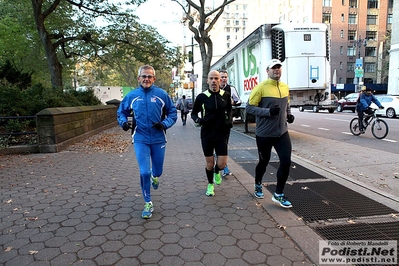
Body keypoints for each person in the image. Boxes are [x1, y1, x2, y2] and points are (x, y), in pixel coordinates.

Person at [117, 65, 177, 219]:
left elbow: (172, 113)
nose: (146, 79)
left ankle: (155, 176)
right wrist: (123, 122)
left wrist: (164, 124)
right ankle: (148, 202)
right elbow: (121, 112)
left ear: (154, 79)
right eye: (144, 76)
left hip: (158, 139)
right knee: (144, 171)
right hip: (140, 138)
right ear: (139, 78)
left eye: (149, 76)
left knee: (157, 171)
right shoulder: (132, 96)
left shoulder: (162, 95)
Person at [246, 59, 295, 208]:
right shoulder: (260, 88)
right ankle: (258, 183)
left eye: (279, 67)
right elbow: (249, 108)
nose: (277, 70)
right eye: (273, 68)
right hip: (264, 134)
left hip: (282, 133)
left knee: (286, 161)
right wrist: (268, 112)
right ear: (267, 71)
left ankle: (278, 194)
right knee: (264, 161)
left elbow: (287, 104)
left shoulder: (285, 87)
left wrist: (289, 114)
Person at [191, 70, 232, 196]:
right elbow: (193, 113)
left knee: (221, 163)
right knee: (210, 163)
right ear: (207, 81)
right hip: (207, 134)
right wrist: (198, 120)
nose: (214, 81)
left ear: (220, 80)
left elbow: (230, 110)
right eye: (211, 78)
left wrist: (229, 120)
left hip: (221, 134)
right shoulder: (202, 97)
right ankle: (210, 185)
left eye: (216, 78)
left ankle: (217, 172)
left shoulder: (225, 95)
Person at [219, 70, 242, 177]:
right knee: (217, 144)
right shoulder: (214, 88)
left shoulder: (231, 89)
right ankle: (221, 164)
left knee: (224, 144)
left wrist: (233, 102)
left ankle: (224, 166)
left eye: (225, 77)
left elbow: (239, 101)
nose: (224, 79)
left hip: (227, 122)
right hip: (214, 122)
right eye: (222, 77)